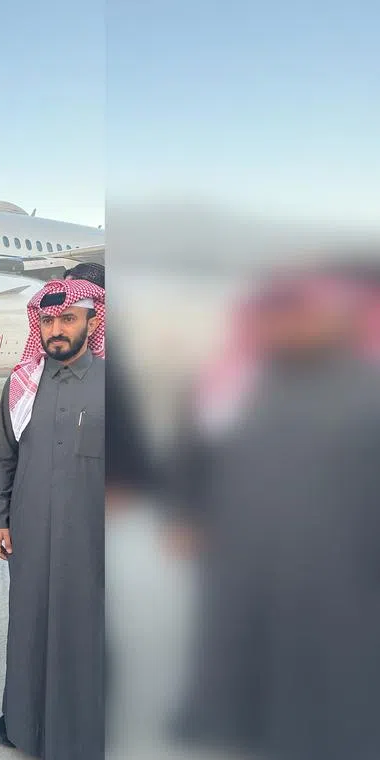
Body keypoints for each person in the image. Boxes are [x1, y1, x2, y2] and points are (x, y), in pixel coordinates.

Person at [166, 269, 380, 760]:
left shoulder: (367, 386)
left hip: (338, 555)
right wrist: (185, 513)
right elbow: (193, 448)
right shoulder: (238, 379)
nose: (293, 328)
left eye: (306, 317)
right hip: (246, 546)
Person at [0, 277, 106, 758]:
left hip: (92, 540)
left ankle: (81, 733)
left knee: (85, 631)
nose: (56, 329)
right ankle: (25, 723)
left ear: (91, 322)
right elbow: (4, 457)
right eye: (48, 320)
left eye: (68, 319)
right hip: (30, 534)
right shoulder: (22, 384)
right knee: (29, 627)